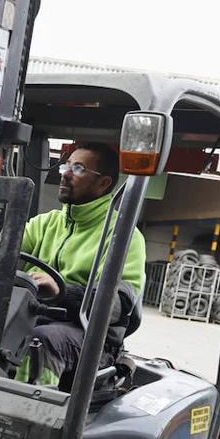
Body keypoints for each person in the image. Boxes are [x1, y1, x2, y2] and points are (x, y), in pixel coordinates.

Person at [19, 142, 146, 384]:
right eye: (67, 165)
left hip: (89, 336)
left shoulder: (123, 236)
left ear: (103, 184)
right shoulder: (43, 224)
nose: (65, 173)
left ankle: (30, 416)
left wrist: (62, 292)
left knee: (41, 340)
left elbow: (118, 304)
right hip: (30, 315)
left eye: (78, 168)